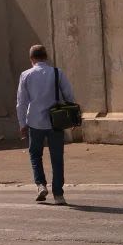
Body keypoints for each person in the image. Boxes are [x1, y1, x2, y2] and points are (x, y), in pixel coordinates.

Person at [16, 44, 75, 205]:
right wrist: (72, 117)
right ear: (46, 56)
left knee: (35, 155)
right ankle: (58, 195)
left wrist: (22, 124)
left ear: (31, 59)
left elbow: (21, 102)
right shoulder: (57, 72)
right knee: (57, 158)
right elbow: (69, 95)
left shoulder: (25, 75)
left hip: (35, 122)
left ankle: (41, 185)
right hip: (56, 122)